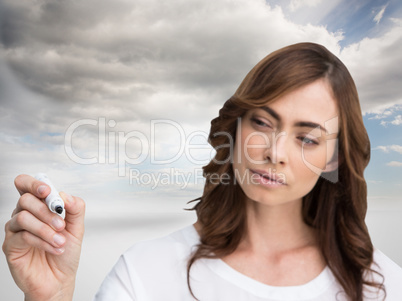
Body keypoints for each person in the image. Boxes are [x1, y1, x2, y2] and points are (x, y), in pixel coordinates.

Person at [3, 43, 402, 301]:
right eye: (262, 123)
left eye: (307, 139)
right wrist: (49, 297)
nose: (275, 153)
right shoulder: (144, 273)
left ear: (334, 159)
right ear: (236, 127)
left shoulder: (383, 286)